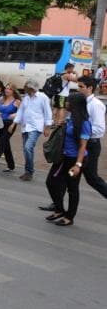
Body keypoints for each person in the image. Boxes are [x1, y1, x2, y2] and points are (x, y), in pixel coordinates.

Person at [43, 92, 91, 226]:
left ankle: (69, 216)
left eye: (69, 102)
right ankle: (59, 209)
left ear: (75, 105)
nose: (66, 104)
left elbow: (82, 146)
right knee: (51, 182)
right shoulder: (71, 119)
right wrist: (61, 125)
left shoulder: (84, 123)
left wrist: (78, 165)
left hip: (74, 161)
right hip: (62, 159)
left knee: (72, 187)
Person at [12, 79, 52, 181]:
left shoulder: (43, 97)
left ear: (31, 88)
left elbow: (48, 112)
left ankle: (29, 171)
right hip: (25, 127)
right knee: (27, 150)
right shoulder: (26, 98)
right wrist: (14, 123)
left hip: (36, 127)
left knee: (28, 147)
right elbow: (21, 111)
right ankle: (28, 171)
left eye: (26, 87)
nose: (24, 89)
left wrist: (47, 127)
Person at [78, 76, 107, 199]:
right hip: (77, 144)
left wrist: (81, 130)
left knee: (91, 178)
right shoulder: (79, 101)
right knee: (69, 175)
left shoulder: (96, 105)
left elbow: (100, 129)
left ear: (90, 88)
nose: (78, 89)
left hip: (91, 145)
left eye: (81, 87)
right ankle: (59, 205)